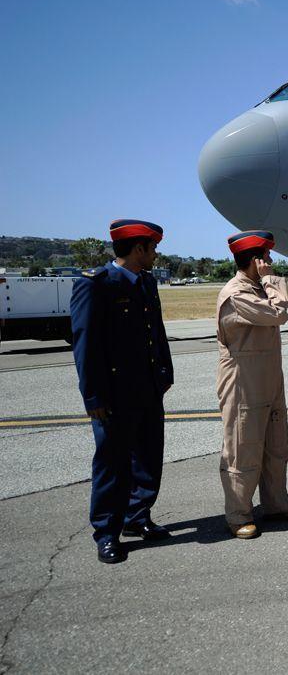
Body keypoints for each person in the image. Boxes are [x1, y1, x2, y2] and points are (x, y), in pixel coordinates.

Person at [70, 219, 173, 564]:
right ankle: (106, 532)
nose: (156, 254)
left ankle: (137, 517)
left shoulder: (145, 282)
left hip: (147, 387)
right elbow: (86, 346)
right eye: (152, 248)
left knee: (148, 458)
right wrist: (93, 397)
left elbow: (155, 332)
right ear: (138, 249)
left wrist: (164, 373)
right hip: (114, 393)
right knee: (113, 465)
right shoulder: (98, 285)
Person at [215, 231, 288, 539]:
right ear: (255, 261)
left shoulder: (256, 288)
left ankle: (276, 502)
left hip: (268, 377)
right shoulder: (237, 294)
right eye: (266, 258)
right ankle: (239, 512)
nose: (270, 263)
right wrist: (271, 282)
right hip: (244, 382)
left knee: (276, 445)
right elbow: (279, 314)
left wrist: (266, 283)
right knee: (243, 448)